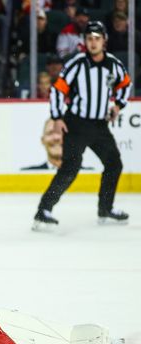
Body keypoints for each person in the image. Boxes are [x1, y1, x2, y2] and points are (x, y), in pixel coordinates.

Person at [34, 21, 132, 229]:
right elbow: (58, 90)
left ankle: (105, 208)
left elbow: (125, 84)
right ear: (84, 41)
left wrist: (118, 106)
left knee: (114, 164)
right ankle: (44, 210)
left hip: (99, 126)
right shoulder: (77, 63)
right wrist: (58, 116)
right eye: (89, 39)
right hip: (76, 124)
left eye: (97, 38)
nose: (93, 43)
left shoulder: (113, 64)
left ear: (104, 41)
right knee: (70, 168)